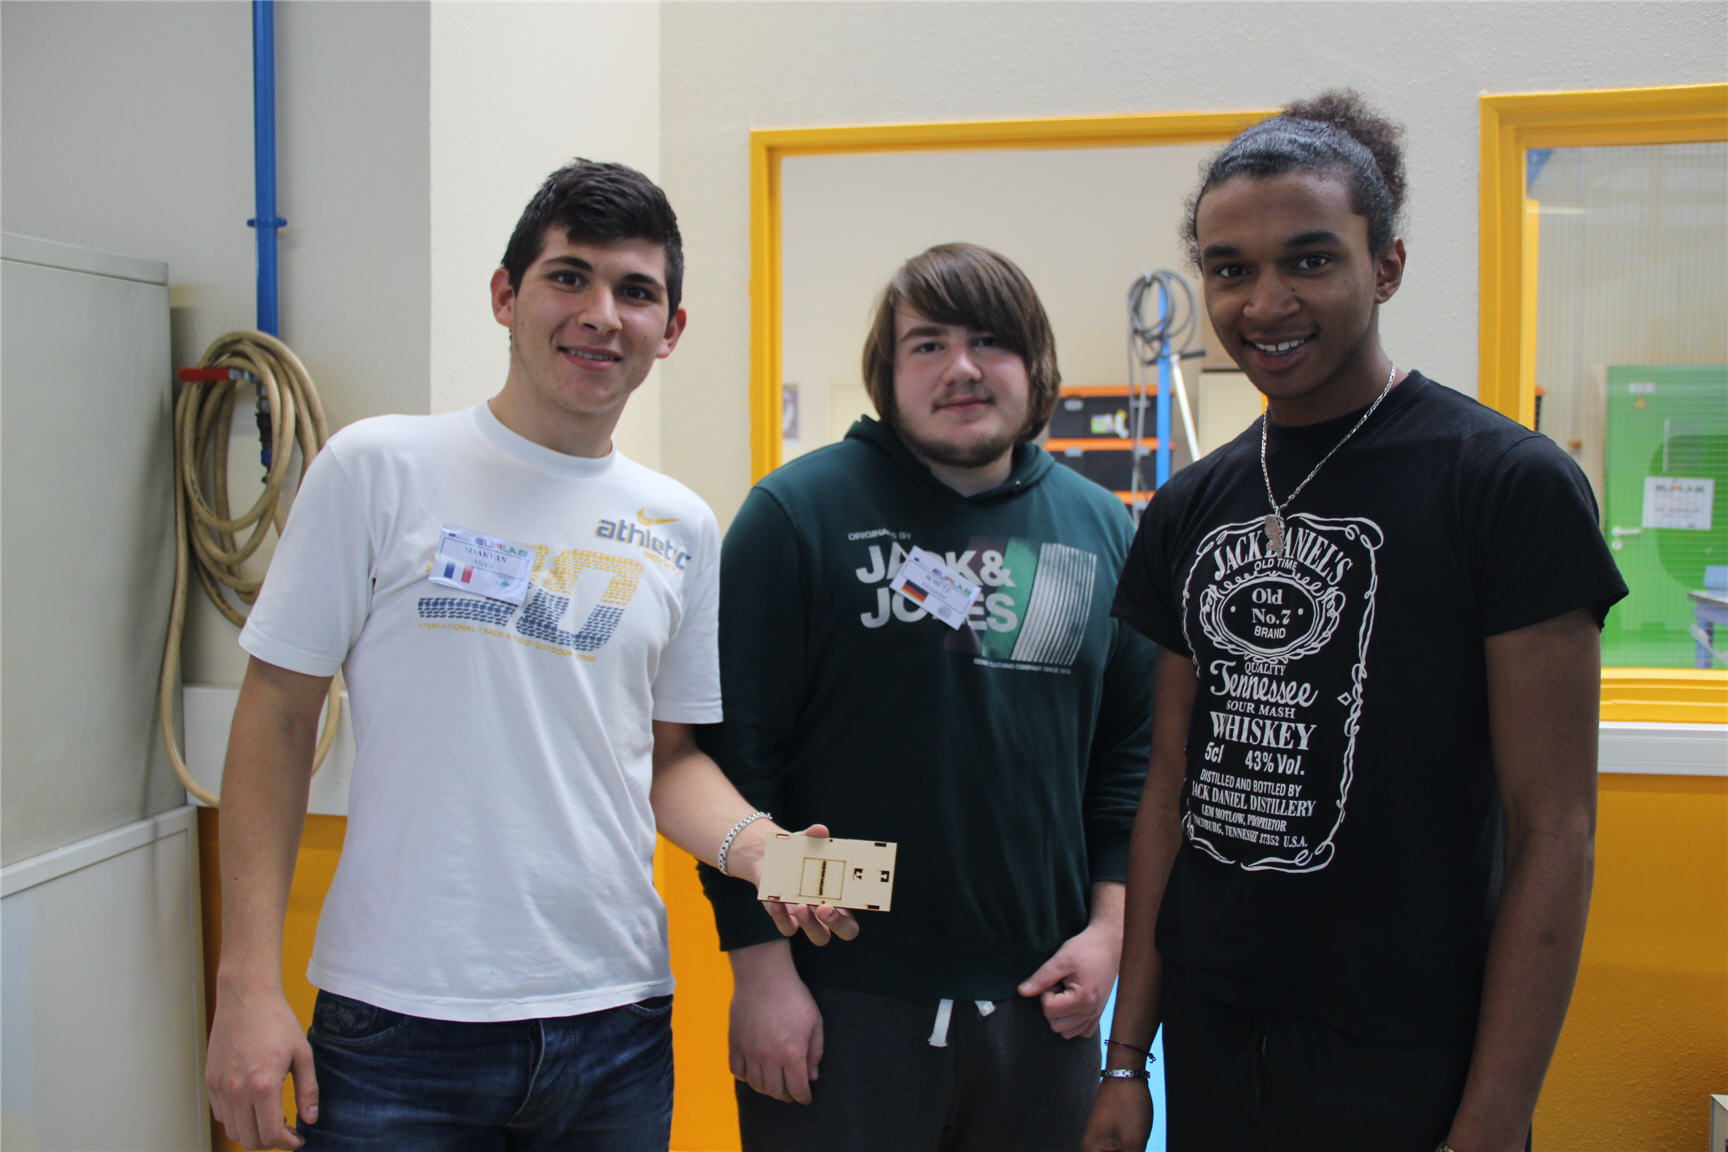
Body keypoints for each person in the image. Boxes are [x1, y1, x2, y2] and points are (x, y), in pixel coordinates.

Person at [204, 158, 854, 1152]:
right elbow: (278, 718)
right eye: (569, 277)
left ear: (670, 329)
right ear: (506, 296)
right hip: (397, 1025)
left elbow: (668, 758)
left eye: (636, 291)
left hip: (616, 1026)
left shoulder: (680, 525)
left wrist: (764, 849)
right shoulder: (378, 469)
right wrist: (247, 984)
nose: (602, 314)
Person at [1083, 92, 1628, 1152]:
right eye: (1230, 269)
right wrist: (1125, 1058)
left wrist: (1496, 1114)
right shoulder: (1192, 505)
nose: (1265, 301)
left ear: (1387, 266)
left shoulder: (1504, 485)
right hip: (1214, 1031)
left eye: (1311, 260)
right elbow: (1168, 790)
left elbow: (1554, 829)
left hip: (1412, 1047)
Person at [697, 242, 1157, 1151]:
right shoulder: (798, 514)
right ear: (887, 370)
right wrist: (762, 974)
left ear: (1035, 363)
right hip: (837, 994)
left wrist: (1109, 931)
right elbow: (736, 763)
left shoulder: (1101, 528)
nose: (962, 368)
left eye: (991, 341)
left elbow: (1128, 762)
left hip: (1041, 998)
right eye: (929, 344)